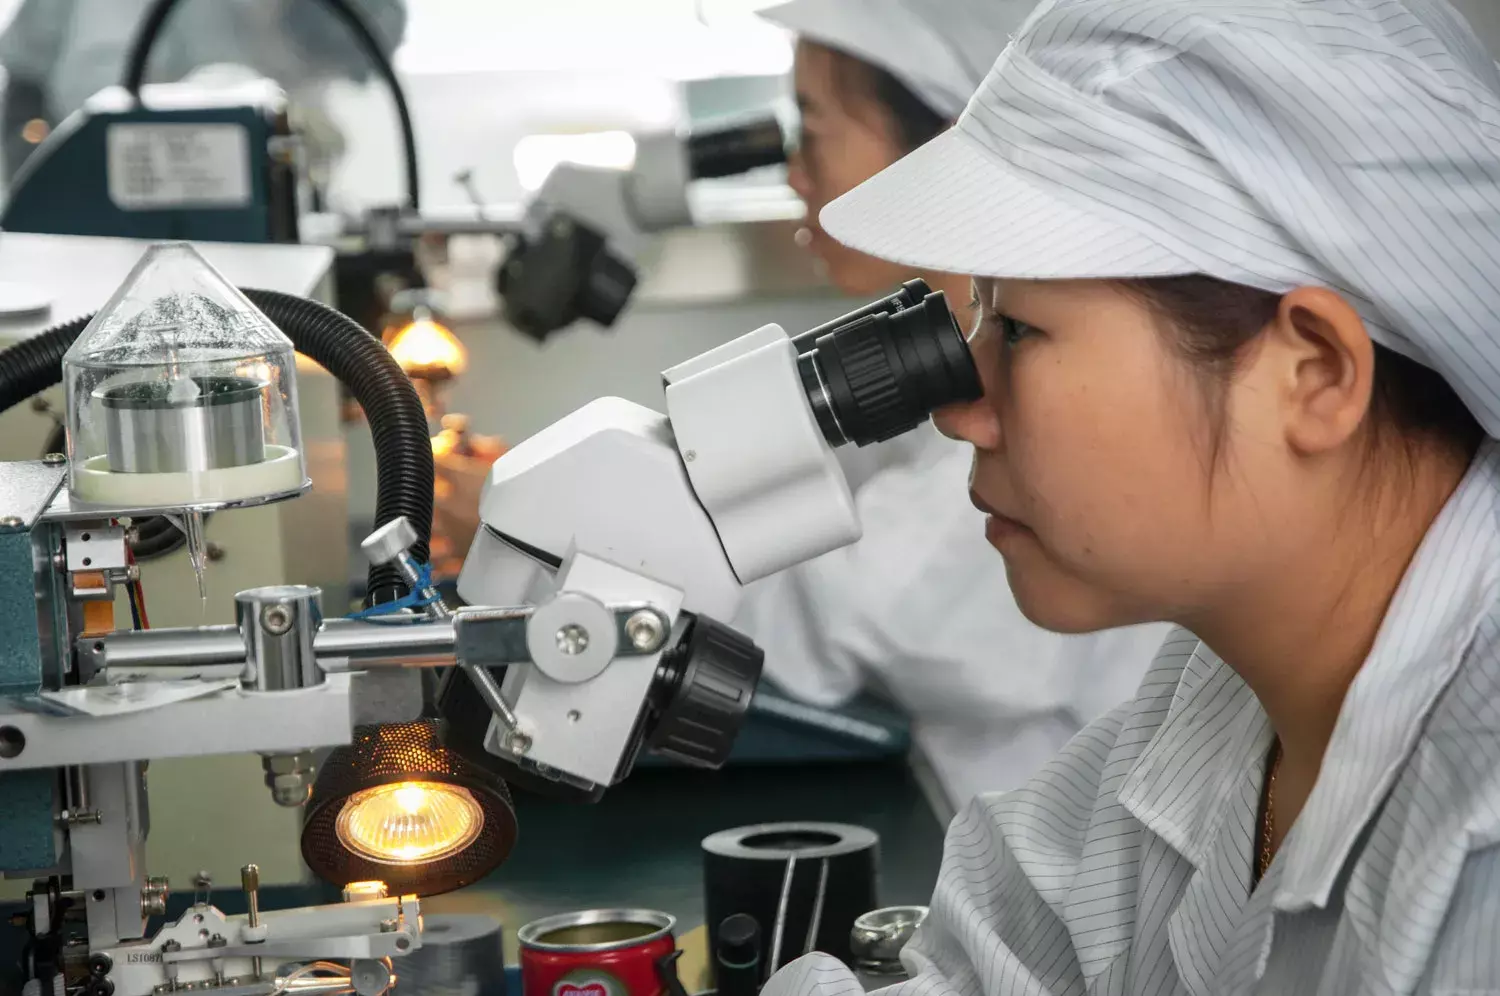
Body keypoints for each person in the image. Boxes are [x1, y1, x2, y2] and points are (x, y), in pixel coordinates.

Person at [759, 0, 1500, 991]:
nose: (958, 412)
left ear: (1313, 374)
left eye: (1019, 329)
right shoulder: (1212, 701)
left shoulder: (1480, 835)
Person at [737, 0, 1172, 818]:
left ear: (940, 143)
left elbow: (840, 620)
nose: (794, 173)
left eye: (814, 131)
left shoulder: (1043, 416)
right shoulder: (932, 346)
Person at [0, 0, 406, 183]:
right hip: (47, 130)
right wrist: (232, 100)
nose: (304, 82)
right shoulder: (126, 14)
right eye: (307, 68)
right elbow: (94, 96)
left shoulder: (266, 29)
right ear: (275, 9)